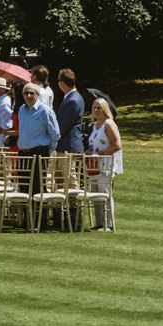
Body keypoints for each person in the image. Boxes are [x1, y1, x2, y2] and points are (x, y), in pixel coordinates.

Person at [15, 82, 60, 206]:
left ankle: (40, 220)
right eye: (26, 93)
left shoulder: (45, 110)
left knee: (38, 188)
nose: (29, 95)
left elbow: (55, 134)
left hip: (39, 153)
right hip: (23, 154)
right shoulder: (22, 110)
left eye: (32, 93)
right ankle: (26, 220)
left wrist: (47, 151)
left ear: (37, 94)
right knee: (23, 187)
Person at [86, 97, 123, 230]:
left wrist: (101, 154)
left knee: (105, 193)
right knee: (95, 193)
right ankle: (100, 222)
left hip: (105, 164)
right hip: (93, 164)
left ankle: (109, 223)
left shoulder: (109, 124)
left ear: (105, 109)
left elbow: (117, 145)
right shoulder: (95, 126)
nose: (96, 110)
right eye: (94, 107)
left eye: (99, 107)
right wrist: (85, 153)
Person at [55, 68, 87, 154]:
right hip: (68, 145)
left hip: (68, 146)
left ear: (62, 83)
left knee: (65, 168)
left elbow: (65, 125)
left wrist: (53, 138)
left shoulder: (72, 101)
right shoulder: (75, 97)